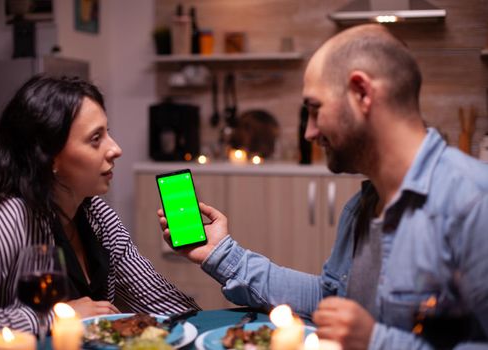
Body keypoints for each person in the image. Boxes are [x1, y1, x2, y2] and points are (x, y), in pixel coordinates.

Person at [159, 24, 488, 349]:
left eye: (315, 110)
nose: (309, 133)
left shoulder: (474, 202)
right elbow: (330, 300)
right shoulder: (360, 208)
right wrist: (221, 254)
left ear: (362, 93)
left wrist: (376, 341)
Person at [0, 75, 199, 348]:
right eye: (96, 138)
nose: (116, 149)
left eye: (108, 132)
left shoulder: (97, 213)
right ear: (51, 157)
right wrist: (58, 317)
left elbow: (158, 300)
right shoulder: (6, 218)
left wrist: (215, 259)